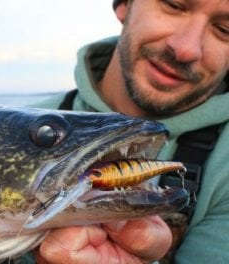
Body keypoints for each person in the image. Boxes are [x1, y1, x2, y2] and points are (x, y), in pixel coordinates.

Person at [31, 0, 229, 263]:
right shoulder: (22, 121)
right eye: (174, 5)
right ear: (124, 4)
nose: (185, 49)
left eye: (225, 30)